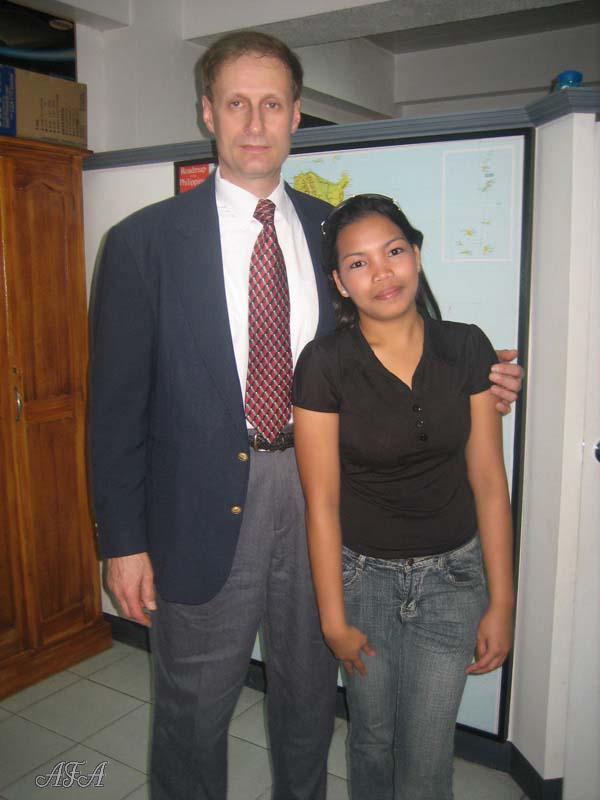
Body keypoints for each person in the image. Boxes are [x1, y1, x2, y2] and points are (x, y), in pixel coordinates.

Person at [89, 32, 522, 800]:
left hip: (325, 501)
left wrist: (477, 381)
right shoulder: (143, 243)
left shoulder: (333, 233)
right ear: (208, 113)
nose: (255, 123)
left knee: (309, 701)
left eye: (272, 104)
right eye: (236, 103)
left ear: (295, 116)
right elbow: (115, 408)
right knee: (192, 715)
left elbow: (396, 340)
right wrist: (123, 543)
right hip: (196, 511)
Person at [293, 194, 515, 800]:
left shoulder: (466, 347)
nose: (382, 273)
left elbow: (489, 483)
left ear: (415, 255)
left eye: (393, 252)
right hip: (362, 580)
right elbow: (322, 502)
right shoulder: (323, 364)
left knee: (426, 752)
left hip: (453, 580)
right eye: (358, 263)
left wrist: (502, 601)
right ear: (339, 283)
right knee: (371, 736)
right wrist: (333, 620)